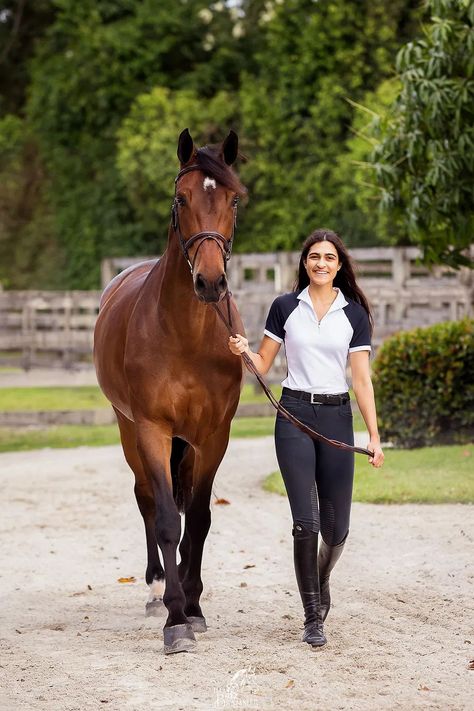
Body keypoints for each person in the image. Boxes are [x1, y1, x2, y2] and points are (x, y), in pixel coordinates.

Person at [228, 228, 384, 648]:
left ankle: (322, 575)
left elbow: (362, 381)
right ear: (304, 262)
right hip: (293, 414)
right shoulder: (284, 308)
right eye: (314, 256)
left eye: (328, 257)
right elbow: (262, 363)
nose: (320, 263)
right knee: (305, 523)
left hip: (336, 415)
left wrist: (374, 434)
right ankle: (312, 616)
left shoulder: (353, 315)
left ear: (339, 265)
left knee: (336, 529)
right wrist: (244, 350)